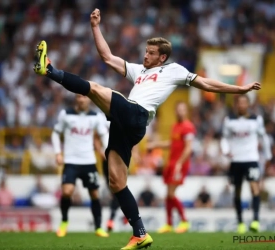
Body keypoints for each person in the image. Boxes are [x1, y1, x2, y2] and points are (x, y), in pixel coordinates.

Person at [33, 8, 261, 249]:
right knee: (116, 182)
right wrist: (95, 27)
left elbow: (205, 83)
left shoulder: (174, 71)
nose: (145, 56)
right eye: (145, 51)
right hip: (125, 124)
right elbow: (108, 57)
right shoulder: (139, 71)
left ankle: (49, 70)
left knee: (94, 88)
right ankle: (140, 233)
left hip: (137, 113)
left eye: (151, 53)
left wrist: (239, 89)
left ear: (162, 57)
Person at [51, 94, 109, 238]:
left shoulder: (96, 116)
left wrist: (106, 150)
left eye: (84, 97)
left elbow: (103, 134)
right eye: (79, 97)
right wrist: (58, 153)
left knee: (94, 194)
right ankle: (64, 222)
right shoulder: (66, 114)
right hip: (71, 161)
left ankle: (98, 227)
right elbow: (55, 133)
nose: (81, 99)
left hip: (89, 161)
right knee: (67, 192)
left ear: (89, 99)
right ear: (76, 99)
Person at [220, 95, 272, 233]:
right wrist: (226, 150)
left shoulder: (256, 120)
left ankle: (255, 220)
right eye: (239, 103)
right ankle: (240, 222)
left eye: (244, 102)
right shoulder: (229, 120)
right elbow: (224, 139)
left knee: (255, 188)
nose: (242, 105)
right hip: (236, 160)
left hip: (251, 159)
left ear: (248, 104)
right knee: (237, 191)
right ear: (236, 105)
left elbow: (263, 137)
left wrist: (268, 156)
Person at [148, 102, 195, 233]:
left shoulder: (188, 127)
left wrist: (180, 163)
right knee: (168, 195)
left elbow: (188, 148)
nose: (180, 112)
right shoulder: (175, 126)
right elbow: (172, 143)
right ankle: (169, 224)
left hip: (180, 164)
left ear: (186, 111)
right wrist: (156, 144)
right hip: (172, 163)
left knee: (170, 194)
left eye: (183, 109)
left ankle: (185, 221)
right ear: (175, 111)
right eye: (178, 109)